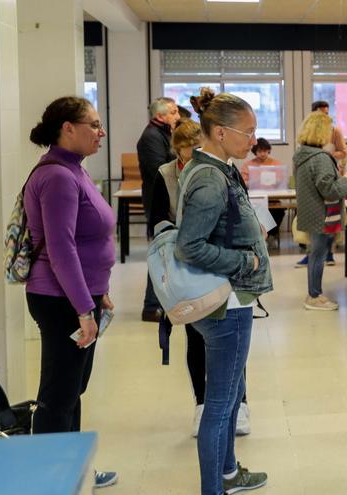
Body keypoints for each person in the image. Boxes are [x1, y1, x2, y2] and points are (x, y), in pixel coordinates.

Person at [177, 87, 273, 495]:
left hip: (233, 299)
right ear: (219, 132)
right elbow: (190, 246)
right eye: (247, 132)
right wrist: (244, 262)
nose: (254, 140)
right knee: (219, 404)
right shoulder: (210, 180)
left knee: (232, 395)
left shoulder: (219, 168)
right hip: (225, 304)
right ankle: (214, 488)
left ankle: (229, 472)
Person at [24, 96, 118, 488]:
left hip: (80, 297)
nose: (101, 132)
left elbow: (88, 240)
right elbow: (62, 249)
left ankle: (71, 466)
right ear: (68, 128)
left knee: (72, 389)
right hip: (61, 300)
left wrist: (100, 292)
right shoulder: (59, 176)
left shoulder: (73, 170)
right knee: (58, 394)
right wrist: (83, 307)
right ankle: (47, 477)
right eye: (94, 124)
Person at [148, 119, 252, 438]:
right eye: (184, 155)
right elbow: (155, 221)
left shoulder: (224, 170)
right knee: (196, 337)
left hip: (224, 266)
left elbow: (245, 211)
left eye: (195, 153)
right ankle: (202, 404)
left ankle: (241, 404)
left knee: (234, 340)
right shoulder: (165, 175)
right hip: (188, 270)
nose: (190, 161)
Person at [293, 111, 347, 311]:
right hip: (322, 214)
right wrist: (346, 178)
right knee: (318, 254)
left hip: (311, 211)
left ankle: (314, 292)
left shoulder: (301, 154)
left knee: (315, 253)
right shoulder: (320, 158)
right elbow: (329, 190)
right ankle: (314, 295)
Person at [137, 96, 181, 323]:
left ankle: (163, 302)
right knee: (162, 252)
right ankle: (151, 306)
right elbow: (159, 172)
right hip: (158, 204)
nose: (178, 116)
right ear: (160, 116)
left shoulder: (164, 134)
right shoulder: (151, 138)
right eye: (173, 112)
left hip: (164, 202)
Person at [240, 138, 286, 241]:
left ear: (268, 151)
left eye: (265, 151)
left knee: (279, 211)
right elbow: (243, 182)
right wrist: (254, 181)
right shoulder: (248, 165)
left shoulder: (276, 164)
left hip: (273, 199)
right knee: (257, 212)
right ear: (255, 152)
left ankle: (269, 235)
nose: (263, 154)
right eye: (259, 151)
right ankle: (261, 235)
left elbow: (281, 181)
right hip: (255, 199)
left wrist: (276, 181)